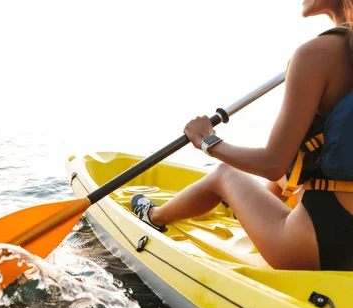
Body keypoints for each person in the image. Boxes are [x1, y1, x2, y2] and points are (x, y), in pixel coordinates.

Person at [131, 0, 353, 271]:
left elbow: (272, 165)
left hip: (323, 246)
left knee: (224, 174)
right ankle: (244, 212)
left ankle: (153, 216)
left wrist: (207, 141)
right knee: (296, 171)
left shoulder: (316, 53)